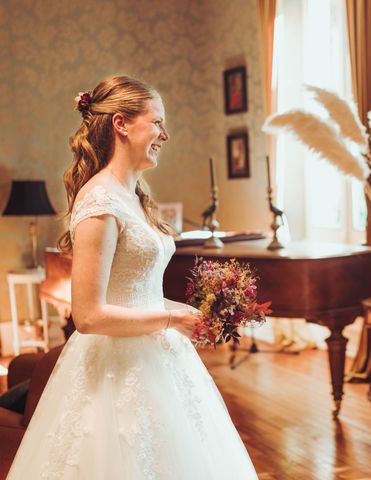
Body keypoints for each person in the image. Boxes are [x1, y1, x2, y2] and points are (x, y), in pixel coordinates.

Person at [8, 76, 258, 479]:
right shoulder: (100, 201)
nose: (165, 134)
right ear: (121, 123)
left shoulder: (135, 194)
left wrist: (193, 312)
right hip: (113, 371)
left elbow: (138, 292)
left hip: (158, 359)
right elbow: (87, 316)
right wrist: (173, 320)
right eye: (157, 122)